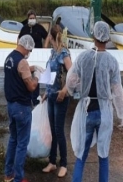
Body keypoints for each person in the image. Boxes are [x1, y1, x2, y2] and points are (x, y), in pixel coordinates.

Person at [66, 21, 123, 182]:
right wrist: (121, 113)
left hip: (86, 110)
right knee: (103, 154)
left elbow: (70, 81)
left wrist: (77, 91)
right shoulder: (112, 61)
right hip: (104, 111)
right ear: (107, 38)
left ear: (93, 36)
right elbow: (117, 89)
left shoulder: (83, 57)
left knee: (81, 154)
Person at [3, 35, 46, 182]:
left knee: (13, 139)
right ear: (26, 47)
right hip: (22, 107)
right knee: (22, 144)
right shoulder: (22, 61)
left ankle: (8, 173)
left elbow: (18, 72)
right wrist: (37, 77)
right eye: (30, 50)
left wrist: (32, 67)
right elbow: (31, 86)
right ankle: (19, 178)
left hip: (11, 106)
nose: (29, 53)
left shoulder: (9, 58)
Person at [41, 24, 73, 178]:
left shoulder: (63, 53)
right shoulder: (53, 52)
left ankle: (64, 164)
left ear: (51, 37)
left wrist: (65, 91)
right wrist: (46, 92)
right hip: (51, 96)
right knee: (53, 131)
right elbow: (50, 73)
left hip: (61, 97)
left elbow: (73, 74)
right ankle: (52, 161)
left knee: (59, 132)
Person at [18, 9, 49, 106]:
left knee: (36, 74)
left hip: (38, 54)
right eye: (30, 18)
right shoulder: (24, 28)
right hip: (27, 54)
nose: (32, 19)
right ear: (27, 19)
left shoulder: (39, 27)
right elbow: (19, 39)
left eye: (33, 18)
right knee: (26, 74)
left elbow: (47, 36)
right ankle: (27, 96)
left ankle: (35, 98)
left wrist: (45, 47)